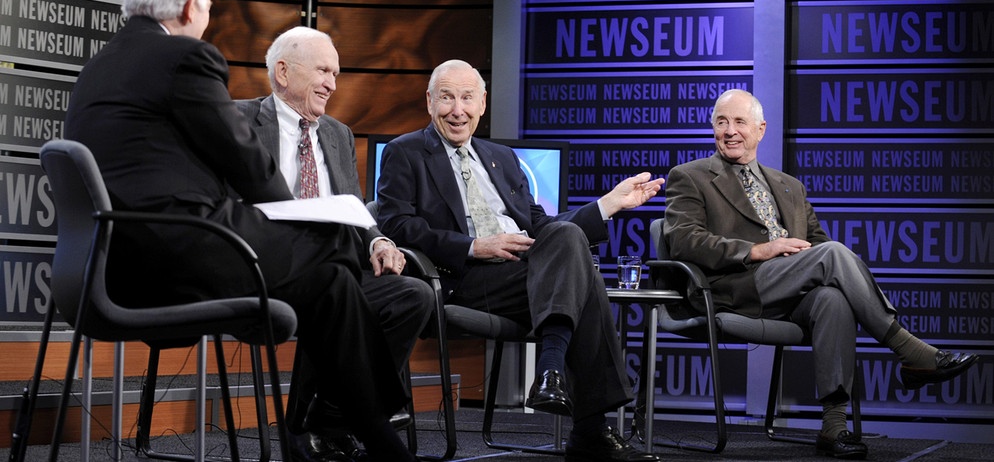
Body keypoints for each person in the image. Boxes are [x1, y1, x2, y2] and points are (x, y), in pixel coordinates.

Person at [63, 0, 415, 462]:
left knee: (332, 280)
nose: (206, 17)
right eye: (208, 5)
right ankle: (358, 417)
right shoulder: (182, 57)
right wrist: (299, 216)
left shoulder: (101, 65)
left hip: (110, 264)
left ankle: (371, 434)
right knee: (333, 243)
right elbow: (247, 162)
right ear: (189, 6)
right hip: (179, 254)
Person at [662, 88, 979, 460]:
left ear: (760, 129)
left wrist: (803, 258)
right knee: (832, 257)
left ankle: (833, 426)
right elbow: (683, 240)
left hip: (791, 291)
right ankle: (911, 351)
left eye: (739, 122)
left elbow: (816, 244)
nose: (730, 131)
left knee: (833, 296)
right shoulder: (690, 176)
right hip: (737, 287)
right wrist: (756, 250)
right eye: (721, 122)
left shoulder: (789, 186)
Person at [375, 59, 666, 462]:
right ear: (429, 102)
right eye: (446, 98)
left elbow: (543, 227)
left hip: (525, 273)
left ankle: (552, 374)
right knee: (584, 281)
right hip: (462, 277)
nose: (457, 109)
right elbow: (396, 223)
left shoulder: (502, 158)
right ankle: (587, 424)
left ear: (483, 104)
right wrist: (475, 246)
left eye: (467, 98)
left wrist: (606, 206)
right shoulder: (405, 152)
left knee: (568, 241)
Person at [236, 26, 434, 460]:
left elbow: (355, 210)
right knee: (331, 289)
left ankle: (331, 415)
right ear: (283, 72)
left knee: (413, 296)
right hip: (267, 268)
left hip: (337, 267)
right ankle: (325, 424)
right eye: (324, 70)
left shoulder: (339, 134)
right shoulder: (240, 121)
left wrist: (379, 240)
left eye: (337, 74)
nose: (332, 84)